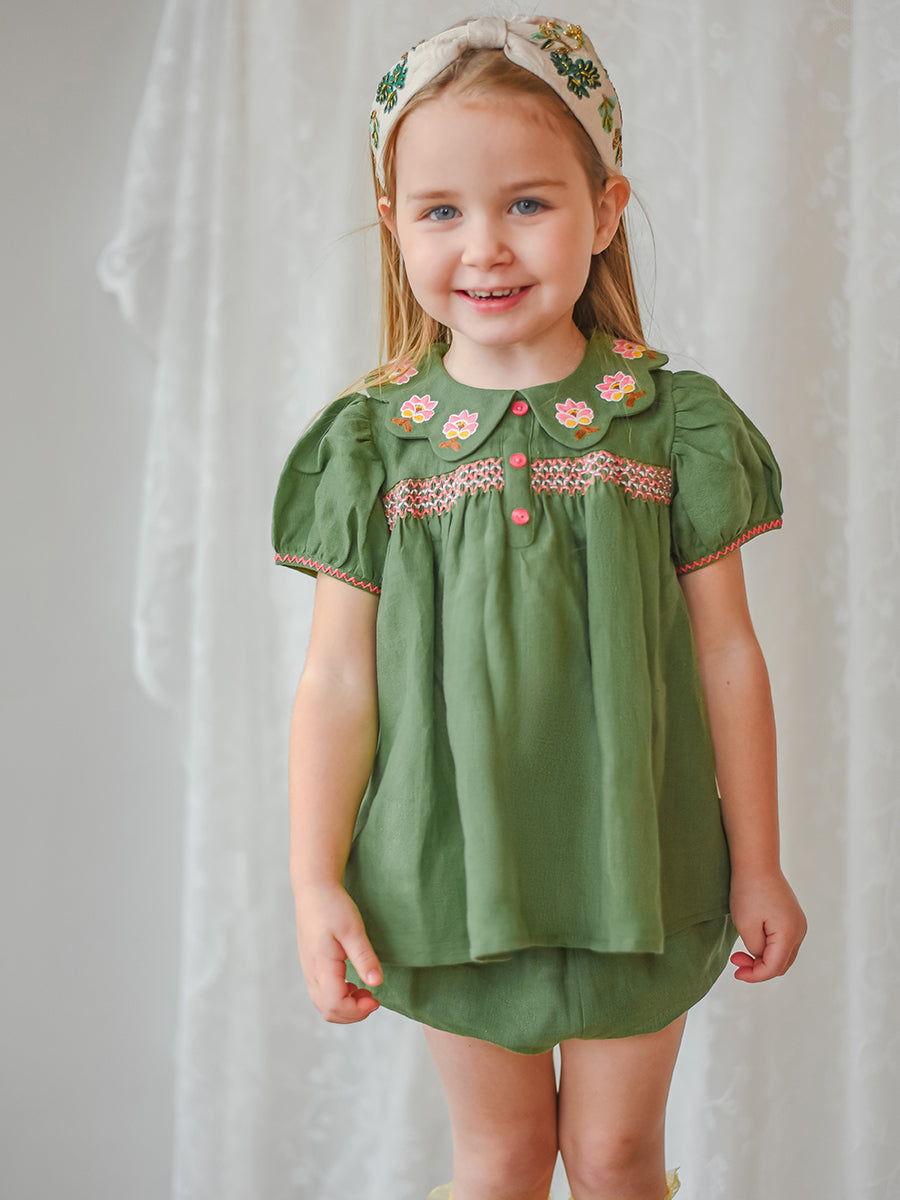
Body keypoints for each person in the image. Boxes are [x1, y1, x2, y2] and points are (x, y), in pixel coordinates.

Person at [272, 15, 807, 1200]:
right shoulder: (371, 446)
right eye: (442, 210)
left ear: (605, 209)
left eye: (527, 203)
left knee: (615, 1157)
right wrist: (314, 882)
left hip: (646, 856)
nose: (486, 247)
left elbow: (727, 654)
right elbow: (338, 679)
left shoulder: (672, 425)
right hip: (448, 865)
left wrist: (760, 861)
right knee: (503, 1157)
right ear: (393, 223)